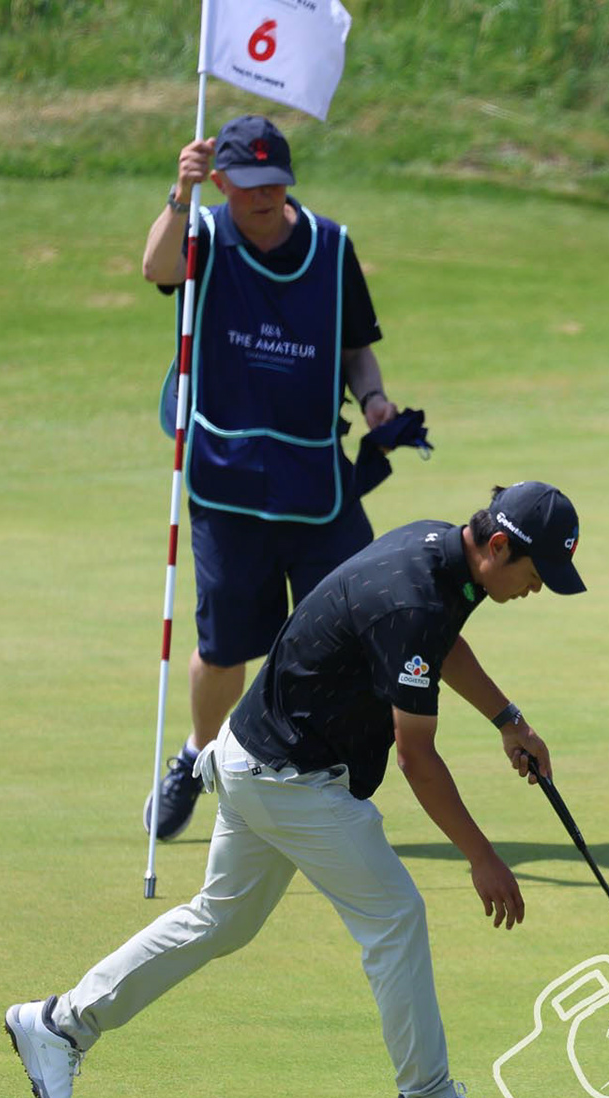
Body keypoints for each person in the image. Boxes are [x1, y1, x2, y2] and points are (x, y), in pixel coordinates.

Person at [6, 482, 587, 1098]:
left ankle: (59, 1024)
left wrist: (507, 719)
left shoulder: (438, 553)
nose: (537, 589)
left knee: (220, 920)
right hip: (290, 780)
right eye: (537, 573)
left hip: (252, 756)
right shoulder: (416, 597)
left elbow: (439, 642)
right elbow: (416, 757)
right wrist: (481, 857)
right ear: (498, 546)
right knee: (395, 916)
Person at [141, 114, 415, 841]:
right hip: (226, 482)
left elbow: (355, 347)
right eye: (248, 183)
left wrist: (374, 398)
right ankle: (197, 757)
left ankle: (318, 775)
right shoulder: (201, 234)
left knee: (352, 633)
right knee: (224, 648)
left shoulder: (330, 245)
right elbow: (157, 270)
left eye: (275, 183)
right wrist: (180, 194)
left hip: (316, 483)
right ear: (222, 180)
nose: (264, 196)